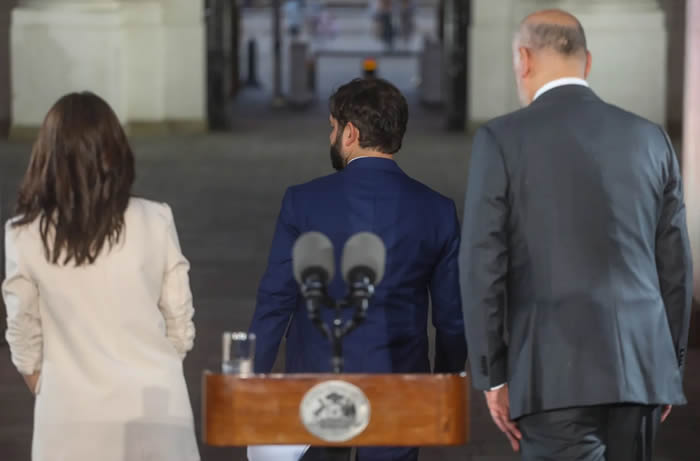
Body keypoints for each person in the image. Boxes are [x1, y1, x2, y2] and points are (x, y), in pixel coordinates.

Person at [460, 9, 693, 461]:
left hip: (552, 374)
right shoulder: (651, 139)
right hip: (641, 369)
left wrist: (494, 375)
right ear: (587, 62)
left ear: (524, 60)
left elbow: (482, 266)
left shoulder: (501, 140)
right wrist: (667, 366)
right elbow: (675, 267)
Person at [249, 78, 467, 461]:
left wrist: (251, 379)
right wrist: (442, 383)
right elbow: (451, 320)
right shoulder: (438, 210)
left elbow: (275, 301)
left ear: (350, 133)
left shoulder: (303, 201)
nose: (331, 137)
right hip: (399, 384)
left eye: (332, 128)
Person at [2, 92, 200, 461]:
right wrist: (157, 369)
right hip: (155, 407)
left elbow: (23, 336)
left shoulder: (23, 234)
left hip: (69, 416)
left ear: (47, 156)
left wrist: (54, 388)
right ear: (115, 151)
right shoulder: (155, 218)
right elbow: (180, 323)